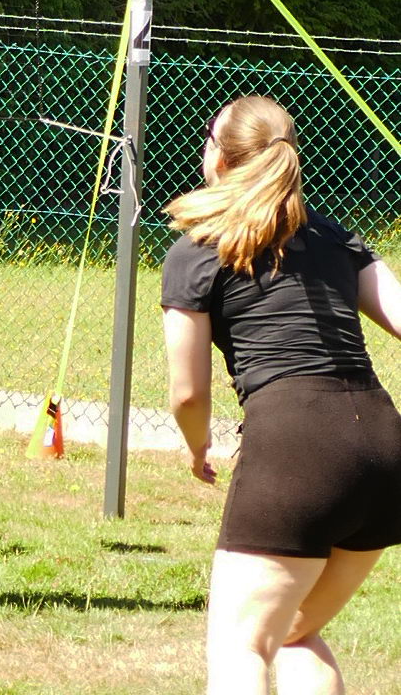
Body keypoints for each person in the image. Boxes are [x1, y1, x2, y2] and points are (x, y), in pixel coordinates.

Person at [161, 95, 401, 695]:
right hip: (383, 447)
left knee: (241, 646)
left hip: (298, 448)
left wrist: (197, 448)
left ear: (219, 159)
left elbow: (187, 394)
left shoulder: (198, 248)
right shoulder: (334, 237)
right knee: (293, 632)